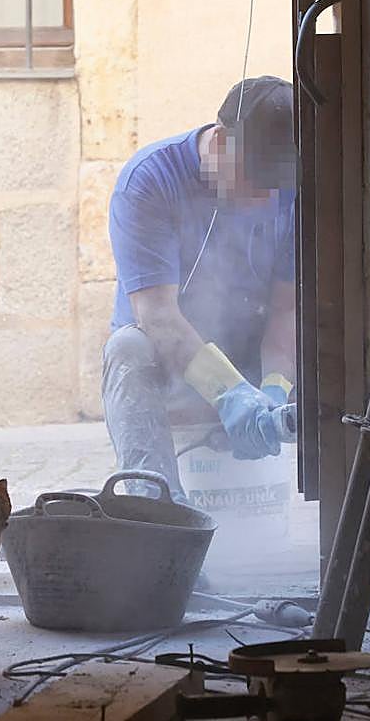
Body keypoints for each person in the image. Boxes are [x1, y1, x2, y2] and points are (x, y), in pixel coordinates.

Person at [102, 76, 299, 502]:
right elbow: (156, 315)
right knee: (126, 349)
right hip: (168, 357)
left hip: (251, 353)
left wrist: (274, 389)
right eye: (254, 179)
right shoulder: (150, 180)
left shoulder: (289, 193)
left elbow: (287, 310)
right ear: (223, 142)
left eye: (274, 185)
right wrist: (230, 394)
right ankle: (157, 509)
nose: (264, 197)